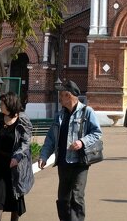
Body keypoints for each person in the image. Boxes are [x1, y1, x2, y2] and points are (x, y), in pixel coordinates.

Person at [38, 79, 101, 221]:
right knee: (63, 199)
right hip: (63, 162)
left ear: (68, 95)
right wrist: (44, 156)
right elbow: (50, 138)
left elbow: (97, 133)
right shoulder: (60, 115)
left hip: (80, 162)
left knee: (77, 197)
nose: (59, 98)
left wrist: (82, 142)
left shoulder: (87, 112)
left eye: (61, 95)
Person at [0, 91, 34, 221]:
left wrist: (17, 157)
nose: (0, 105)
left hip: (15, 166)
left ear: (9, 104)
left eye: (2, 103)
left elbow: (26, 142)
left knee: (14, 198)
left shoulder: (23, 119)